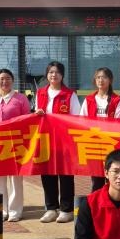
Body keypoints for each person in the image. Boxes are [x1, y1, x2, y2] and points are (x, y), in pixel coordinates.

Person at [35, 61, 82, 224]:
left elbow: (77, 118)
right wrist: (37, 113)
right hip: (45, 139)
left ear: (62, 75)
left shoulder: (69, 95)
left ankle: (66, 209)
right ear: (47, 75)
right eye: (50, 72)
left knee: (65, 174)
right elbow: (36, 114)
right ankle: (51, 208)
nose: (53, 75)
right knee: (47, 173)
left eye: (57, 72)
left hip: (64, 141)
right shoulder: (40, 93)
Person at [0, 68, 30, 222]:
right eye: (2, 79)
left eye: (8, 78)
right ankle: (2, 209)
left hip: (16, 143)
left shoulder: (21, 98)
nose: (5, 82)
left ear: (13, 80)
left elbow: (27, 119)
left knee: (16, 178)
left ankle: (15, 211)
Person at [79, 67, 120, 193]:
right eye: (98, 77)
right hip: (93, 145)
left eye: (104, 77)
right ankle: (96, 203)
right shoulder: (89, 100)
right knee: (96, 180)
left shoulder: (117, 100)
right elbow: (82, 121)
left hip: (111, 144)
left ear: (110, 80)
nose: (101, 80)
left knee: (112, 178)